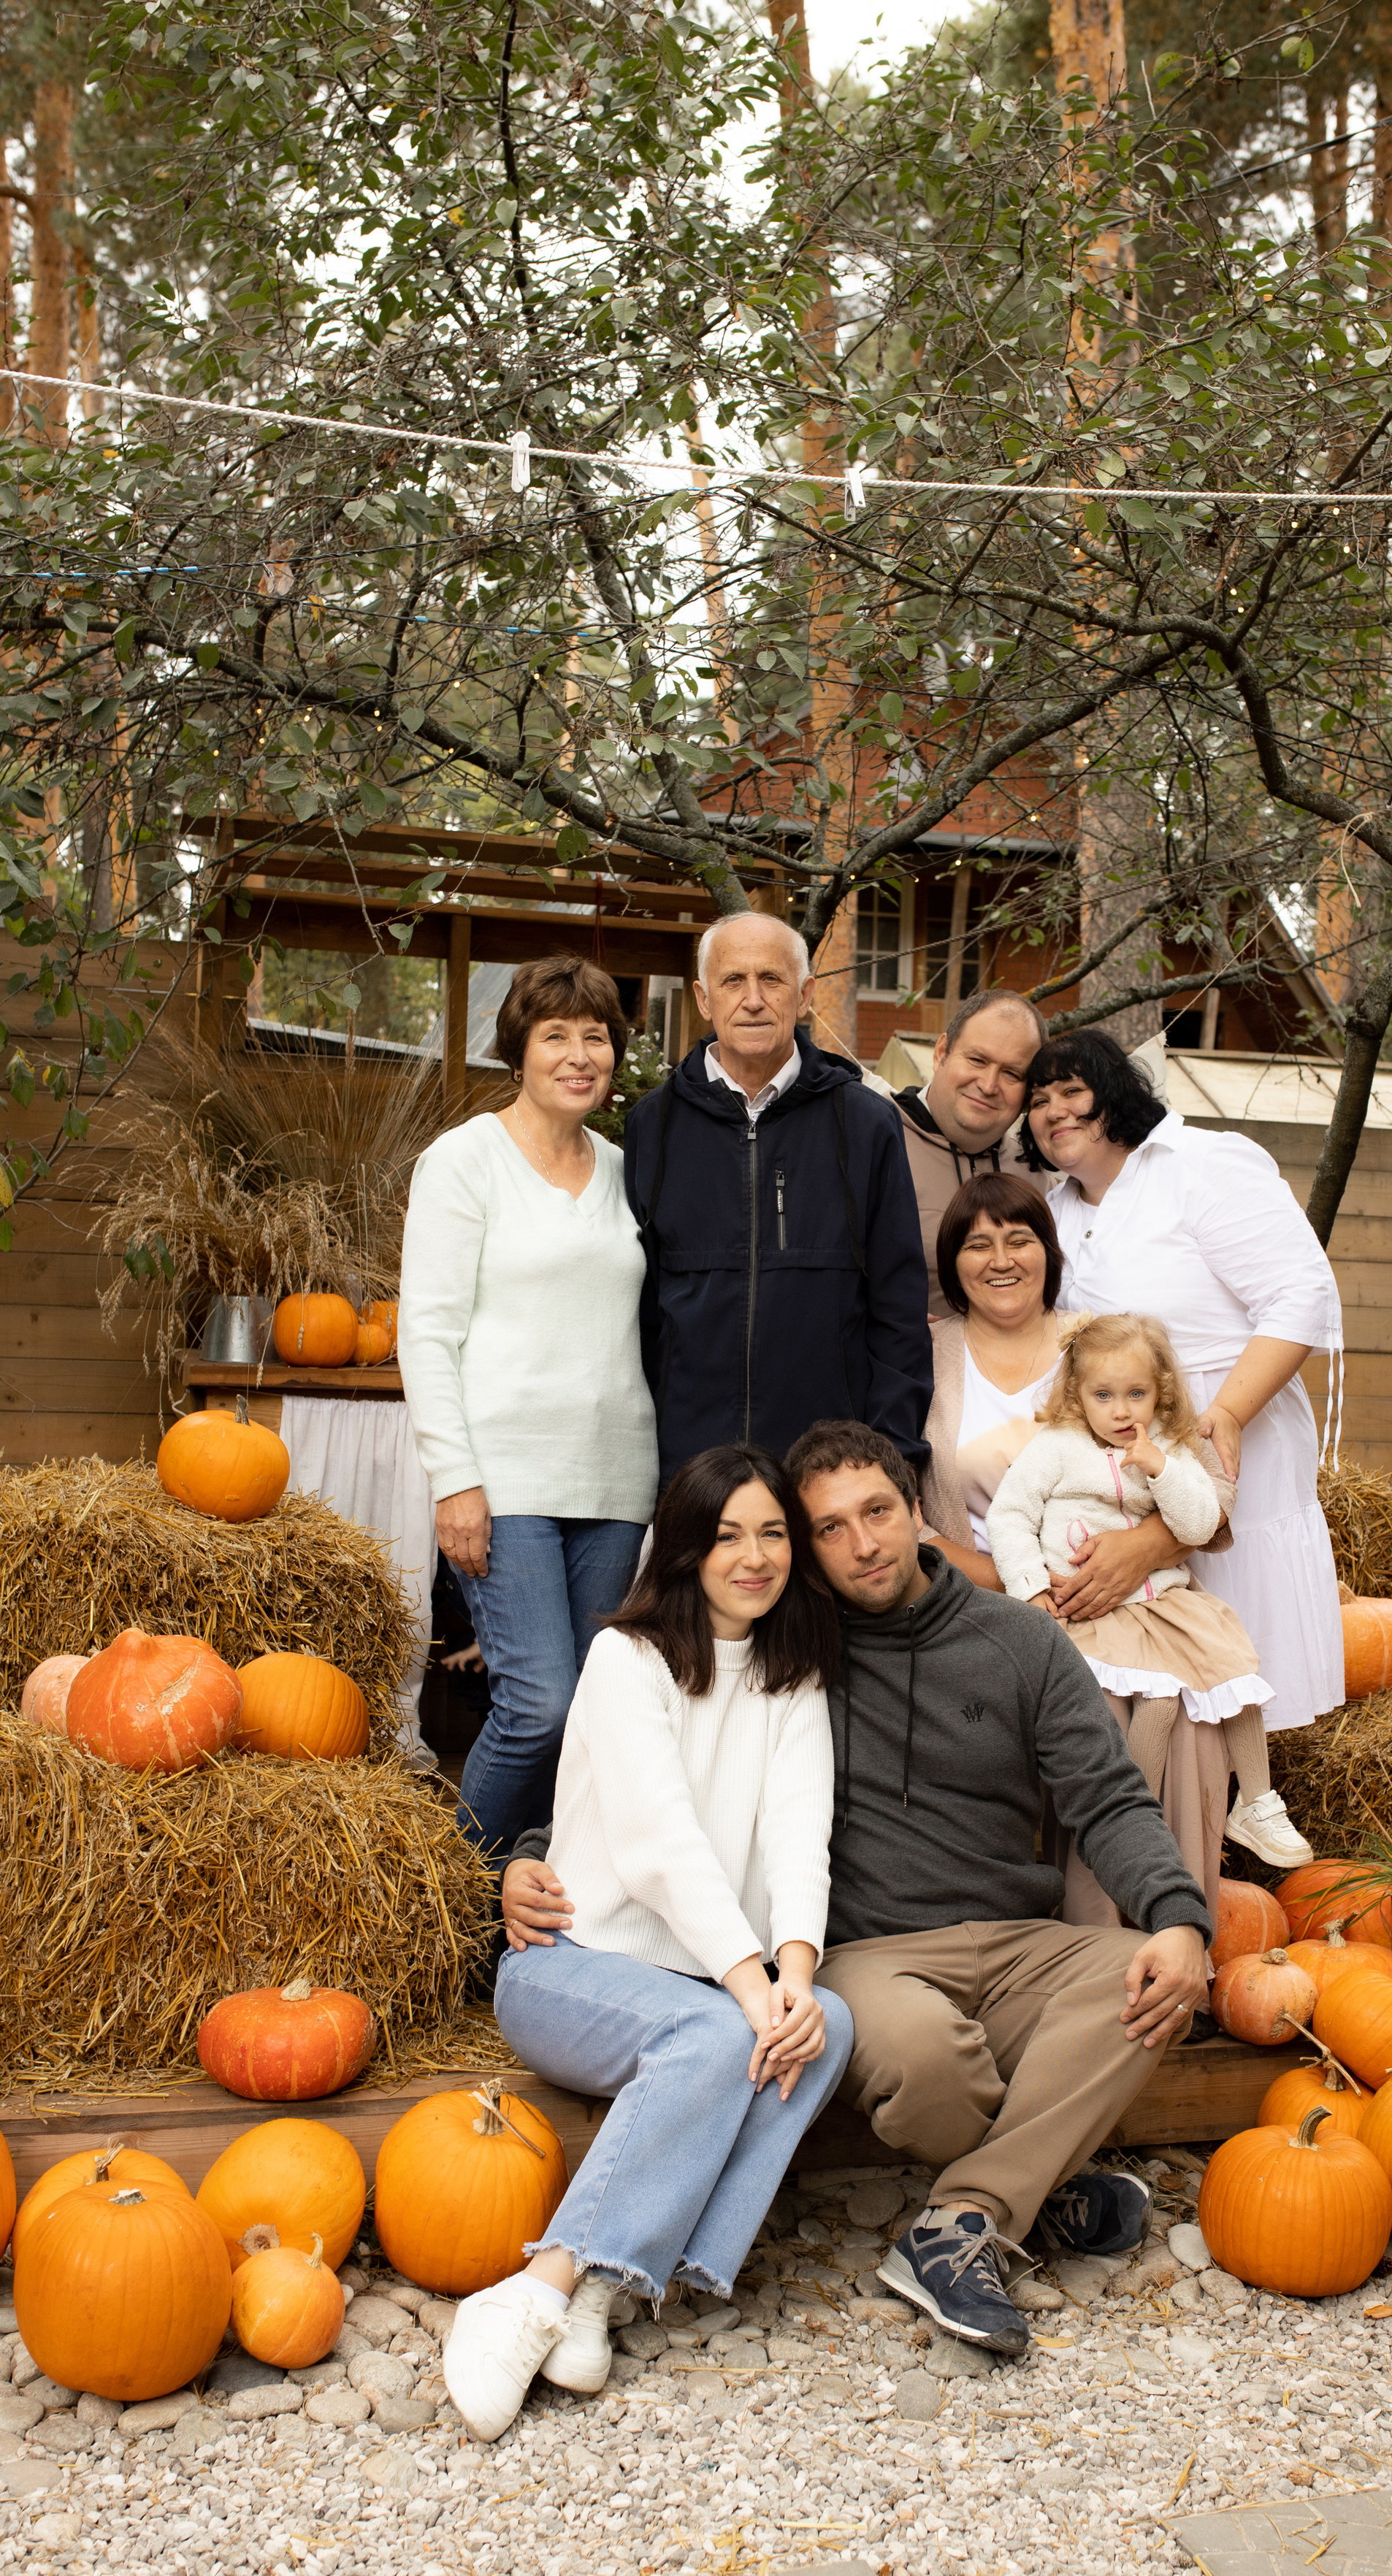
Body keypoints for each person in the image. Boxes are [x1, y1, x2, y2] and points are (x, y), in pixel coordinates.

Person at [504, 1422, 1212, 2361]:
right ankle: (1021, 2194)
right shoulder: (792, 1645)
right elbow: (654, 1773)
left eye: (877, 1512)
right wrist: (534, 1850)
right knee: (923, 2061)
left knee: (1138, 1983)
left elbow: (1108, 1799)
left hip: (1017, 1940)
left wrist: (1178, 1918)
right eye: (829, 1529)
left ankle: (959, 2222)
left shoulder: (1023, 1646)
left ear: (917, 1511)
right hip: (865, 1954)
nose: (862, 1543)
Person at [443, 1444, 853, 2441]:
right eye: (726, 1537)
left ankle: (608, 2291)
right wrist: (753, 1991)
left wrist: (793, 1977)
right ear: (683, 1550)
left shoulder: (792, 1678)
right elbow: (662, 1846)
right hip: (574, 1969)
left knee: (831, 2023)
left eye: (771, 1535)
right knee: (725, 2039)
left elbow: (805, 1836)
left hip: (705, 1985)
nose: (754, 1558)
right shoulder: (628, 1662)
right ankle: (535, 2293)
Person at [400, 957, 657, 1870]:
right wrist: (454, 1479)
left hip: (618, 1480)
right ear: (519, 1049)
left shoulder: (631, 1172)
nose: (579, 1054)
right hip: (504, 1479)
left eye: (596, 1036)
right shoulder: (465, 1160)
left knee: (591, 1713)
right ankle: (440, 1898)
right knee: (539, 1702)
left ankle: (526, 1915)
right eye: (556, 1034)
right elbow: (425, 1333)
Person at [916, 1173, 1238, 1899]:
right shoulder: (927, 1356)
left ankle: (1180, 1936)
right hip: (995, 1599)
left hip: (1131, 1592)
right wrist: (1019, 1584)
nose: (1000, 1259)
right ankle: (1090, 1948)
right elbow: (914, 1526)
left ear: (1048, 1252)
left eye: (1019, 1239)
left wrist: (1146, 1547)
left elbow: (1204, 1476)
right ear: (953, 1263)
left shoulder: (1102, 1342)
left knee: (1178, 1710)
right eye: (977, 1244)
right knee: (1086, 1710)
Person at [1022, 1026, 1345, 1734]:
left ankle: (1248, 1809)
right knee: (1160, 1677)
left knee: (1242, 1666)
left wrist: (1225, 1414)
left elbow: (1299, 1295)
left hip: (1230, 1433)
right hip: (1124, 1463)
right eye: (1038, 1100)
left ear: (1115, 1093)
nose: (1053, 1111)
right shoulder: (1054, 1210)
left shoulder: (1202, 1164)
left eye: (1071, 1091)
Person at [986, 1312, 1312, 1891]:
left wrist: (1161, 1469)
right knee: (1158, 1704)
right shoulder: (1056, 1447)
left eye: (1136, 1394)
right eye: (1103, 1395)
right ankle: (1131, 1823)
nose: (1121, 1411)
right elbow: (1010, 1516)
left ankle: (1257, 1803)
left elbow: (1199, 1523)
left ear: (1158, 1392)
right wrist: (1031, 1589)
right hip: (1090, 1612)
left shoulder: (1168, 1448)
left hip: (1160, 1602)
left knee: (1234, 1666)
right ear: (1077, 1395)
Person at [623, 912, 931, 1484]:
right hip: (691, 1472)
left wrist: (896, 1463)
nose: (754, 999)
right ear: (704, 998)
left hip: (830, 1473)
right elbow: (638, 1315)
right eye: (733, 980)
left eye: (772, 979)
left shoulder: (865, 1124)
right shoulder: (653, 1126)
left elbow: (900, 1313)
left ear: (806, 995)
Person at [878, 988, 1048, 1315]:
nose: (988, 1084)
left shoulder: (1037, 1171)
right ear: (942, 1052)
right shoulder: (873, 1144)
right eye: (977, 1060)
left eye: (1012, 1074)